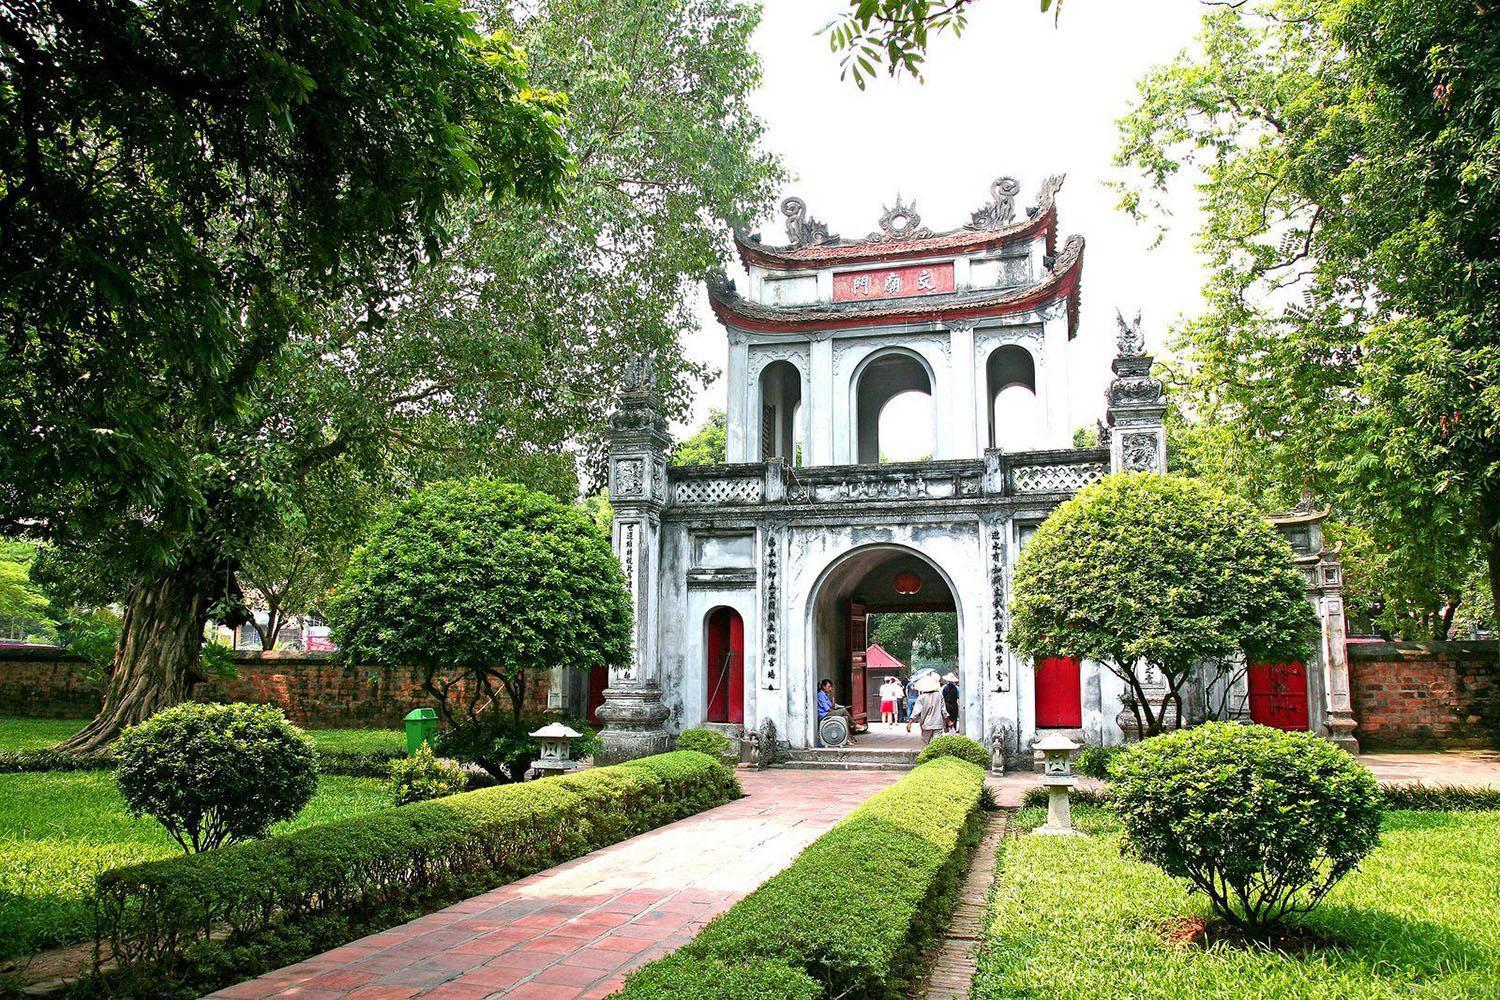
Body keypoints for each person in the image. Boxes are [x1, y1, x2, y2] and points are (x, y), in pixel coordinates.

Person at [907, 673, 946, 744]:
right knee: (936, 745)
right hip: (938, 724)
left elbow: (916, 712)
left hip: (926, 724)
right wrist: (948, 721)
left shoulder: (921, 697)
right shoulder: (939, 696)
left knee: (925, 745)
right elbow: (944, 711)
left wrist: (909, 723)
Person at [816, 678, 856, 745]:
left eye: (831, 687)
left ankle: (847, 738)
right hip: (824, 715)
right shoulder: (820, 695)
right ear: (823, 686)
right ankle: (854, 725)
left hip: (828, 713)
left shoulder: (825, 695)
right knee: (843, 711)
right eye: (829, 686)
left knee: (845, 717)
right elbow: (827, 708)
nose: (830, 688)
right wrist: (835, 713)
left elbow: (833, 705)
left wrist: (832, 694)